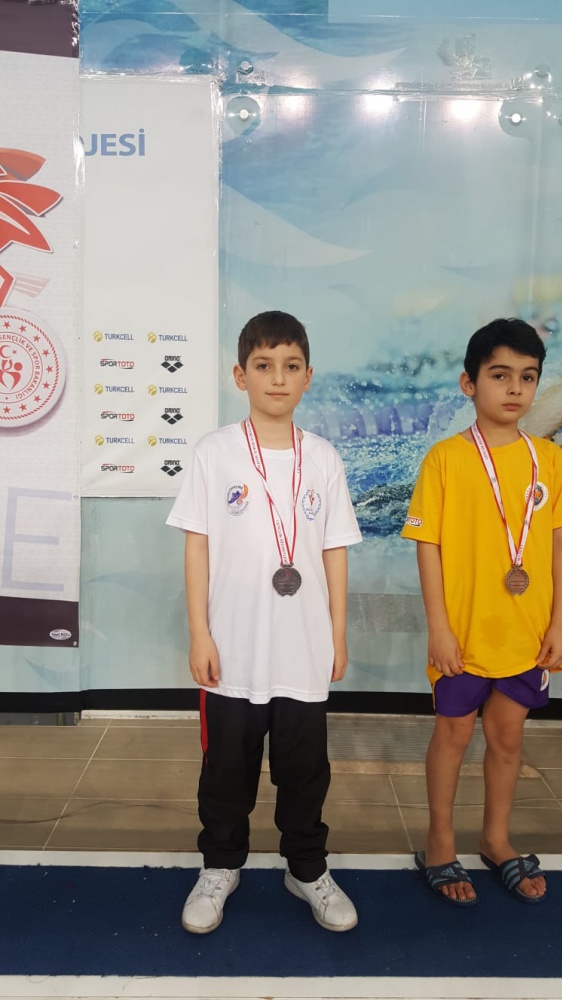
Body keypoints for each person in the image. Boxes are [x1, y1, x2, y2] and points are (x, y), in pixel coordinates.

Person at [167, 310, 362, 934]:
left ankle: (306, 869)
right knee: (227, 770)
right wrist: (200, 632)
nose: (278, 378)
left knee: (305, 772)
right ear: (240, 375)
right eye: (264, 365)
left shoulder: (323, 458)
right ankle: (220, 866)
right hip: (233, 649)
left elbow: (334, 551)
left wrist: (337, 633)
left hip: (303, 649)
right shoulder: (215, 452)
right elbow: (197, 545)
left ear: (308, 376)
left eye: (290, 366)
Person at [402, 317, 562, 906]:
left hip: (526, 632)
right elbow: (427, 545)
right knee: (453, 733)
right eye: (500, 375)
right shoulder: (445, 459)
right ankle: (440, 842)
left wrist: (559, 621)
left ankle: (496, 838)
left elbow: (556, 543)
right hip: (464, 635)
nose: (515, 388)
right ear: (469, 384)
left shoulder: (549, 460)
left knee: (508, 737)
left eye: (528, 376)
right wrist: (439, 628)